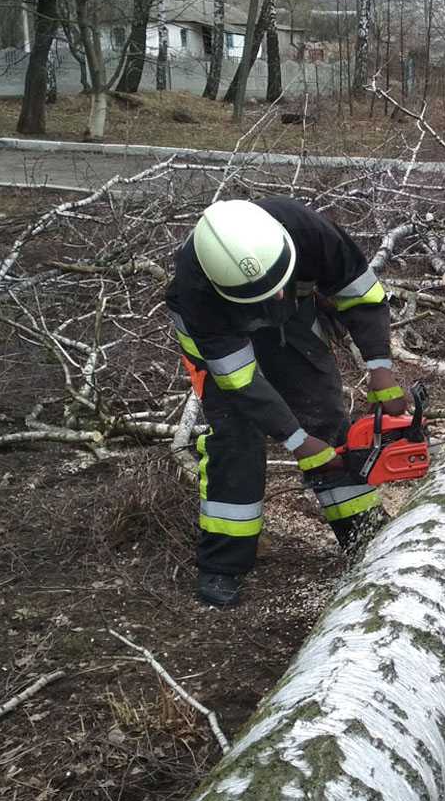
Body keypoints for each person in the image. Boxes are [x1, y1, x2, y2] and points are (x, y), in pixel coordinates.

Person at [165, 197, 407, 607]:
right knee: (235, 437)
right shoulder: (196, 293)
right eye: (265, 293)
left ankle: (362, 531)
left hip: (294, 318)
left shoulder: (309, 231)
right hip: (221, 345)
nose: (273, 296)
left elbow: (362, 296)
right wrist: (297, 442)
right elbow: (241, 382)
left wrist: (381, 369)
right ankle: (224, 563)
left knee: (326, 415)